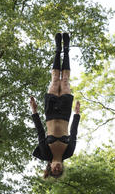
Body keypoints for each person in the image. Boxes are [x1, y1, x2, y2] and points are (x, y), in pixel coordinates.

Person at [30, 33, 81, 178]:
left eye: (54, 170)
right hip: (65, 114)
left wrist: (34, 112)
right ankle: (66, 50)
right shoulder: (69, 152)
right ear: (62, 167)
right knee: (64, 81)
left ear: (50, 167)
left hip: (50, 113)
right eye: (59, 170)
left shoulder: (46, 153)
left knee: (54, 80)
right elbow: (74, 132)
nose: (57, 168)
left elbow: (40, 132)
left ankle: (57, 50)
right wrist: (76, 114)